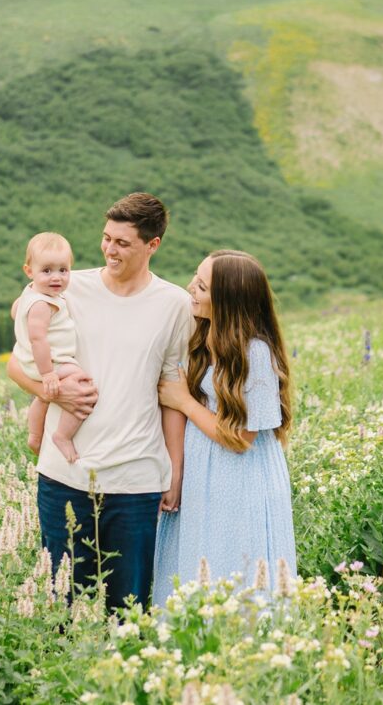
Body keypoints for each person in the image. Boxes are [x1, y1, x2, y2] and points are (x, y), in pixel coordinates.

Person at [7, 193, 190, 611]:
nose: (109, 249)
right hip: (64, 475)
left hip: (137, 478)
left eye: (123, 243)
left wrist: (175, 470)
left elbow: (172, 395)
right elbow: (17, 365)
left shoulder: (174, 304)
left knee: (128, 612)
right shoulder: (66, 287)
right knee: (61, 609)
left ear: (153, 245)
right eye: (107, 238)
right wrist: (51, 391)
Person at [152, 250, 295, 605]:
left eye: (201, 285)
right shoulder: (203, 337)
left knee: (234, 567)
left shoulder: (256, 354)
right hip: (205, 472)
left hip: (241, 480)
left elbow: (241, 439)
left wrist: (184, 401)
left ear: (228, 301)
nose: (191, 289)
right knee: (196, 562)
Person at [10, 232, 89, 463]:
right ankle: (63, 435)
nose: (56, 278)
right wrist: (48, 374)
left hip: (36, 361)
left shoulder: (32, 292)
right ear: (29, 271)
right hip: (47, 363)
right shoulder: (43, 304)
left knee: (43, 399)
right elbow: (38, 340)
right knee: (82, 383)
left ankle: (35, 435)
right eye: (47, 271)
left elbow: (15, 311)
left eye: (63, 270)